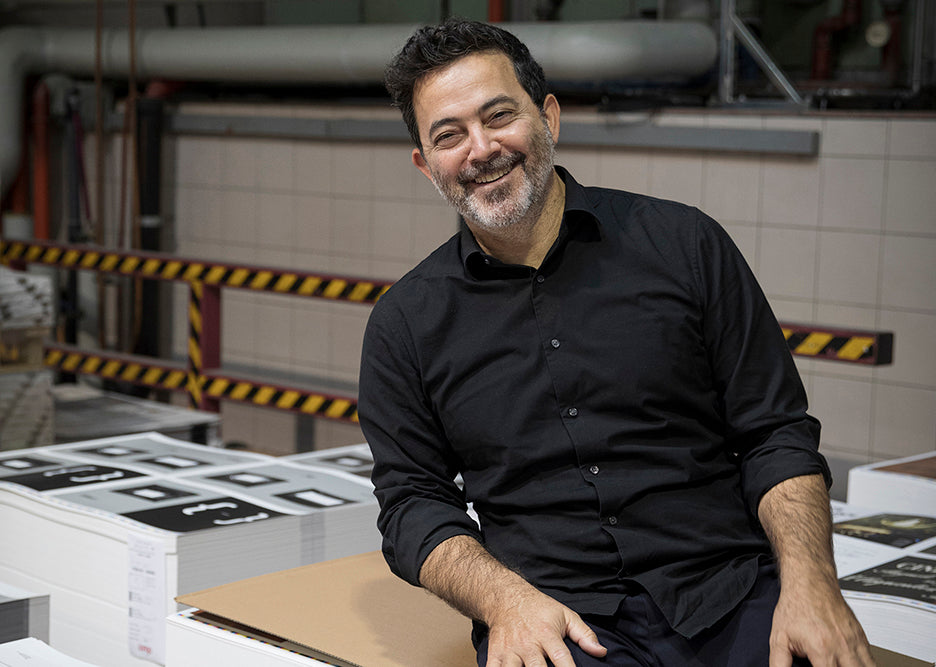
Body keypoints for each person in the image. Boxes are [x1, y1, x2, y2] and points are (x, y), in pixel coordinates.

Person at [358, 17, 874, 667]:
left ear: (548, 117)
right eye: (449, 135)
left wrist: (812, 586)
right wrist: (504, 602)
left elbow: (773, 432)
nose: (481, 149)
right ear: (426, 164)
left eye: (499, 116)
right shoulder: (405, 324)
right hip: (554, 620)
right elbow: (412, 503)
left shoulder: (685, 245)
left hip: (731, 597)